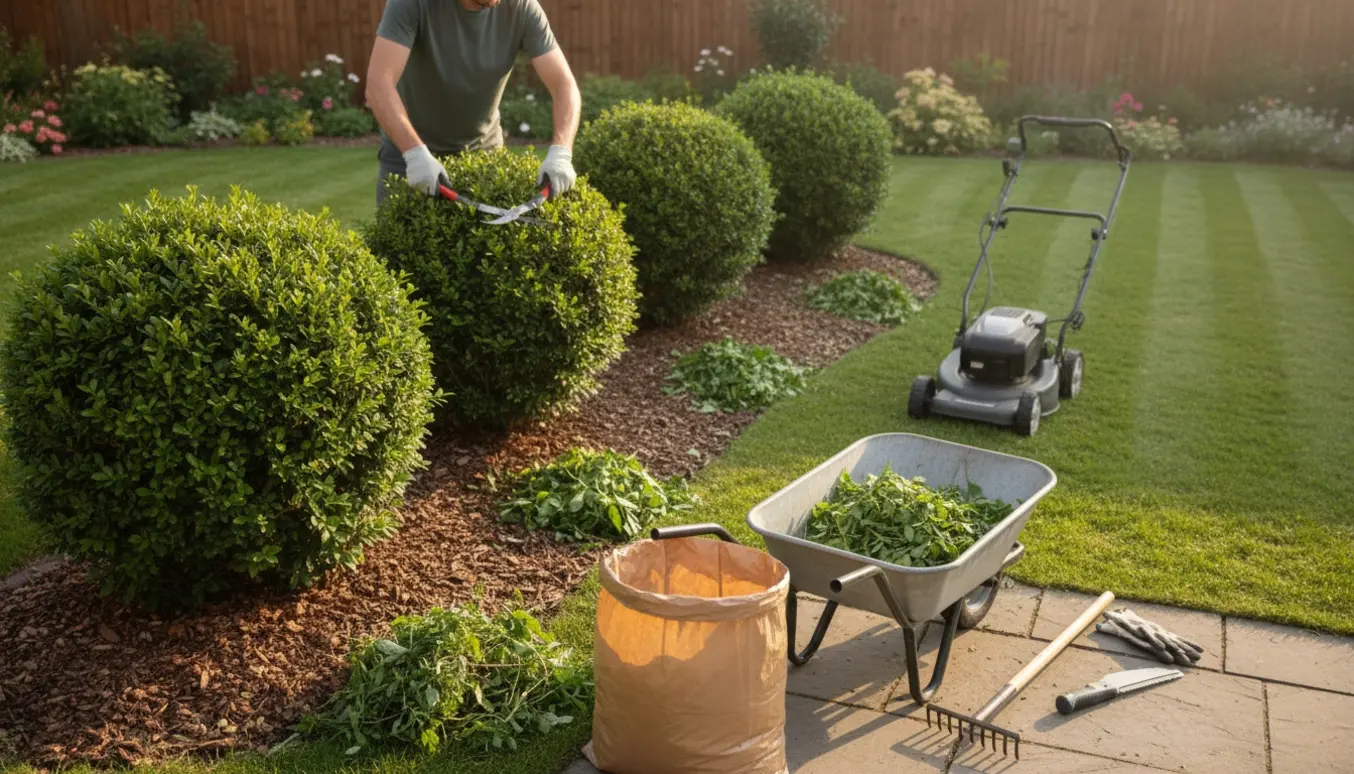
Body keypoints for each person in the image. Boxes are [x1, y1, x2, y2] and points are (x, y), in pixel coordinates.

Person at [365, 0, 581, 206]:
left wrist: (561, 151)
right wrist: (413, 153)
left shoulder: (521, 7)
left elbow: (564, 85)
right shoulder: (412, 4)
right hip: (410, 162)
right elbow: (378, 86)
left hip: (484, 159)